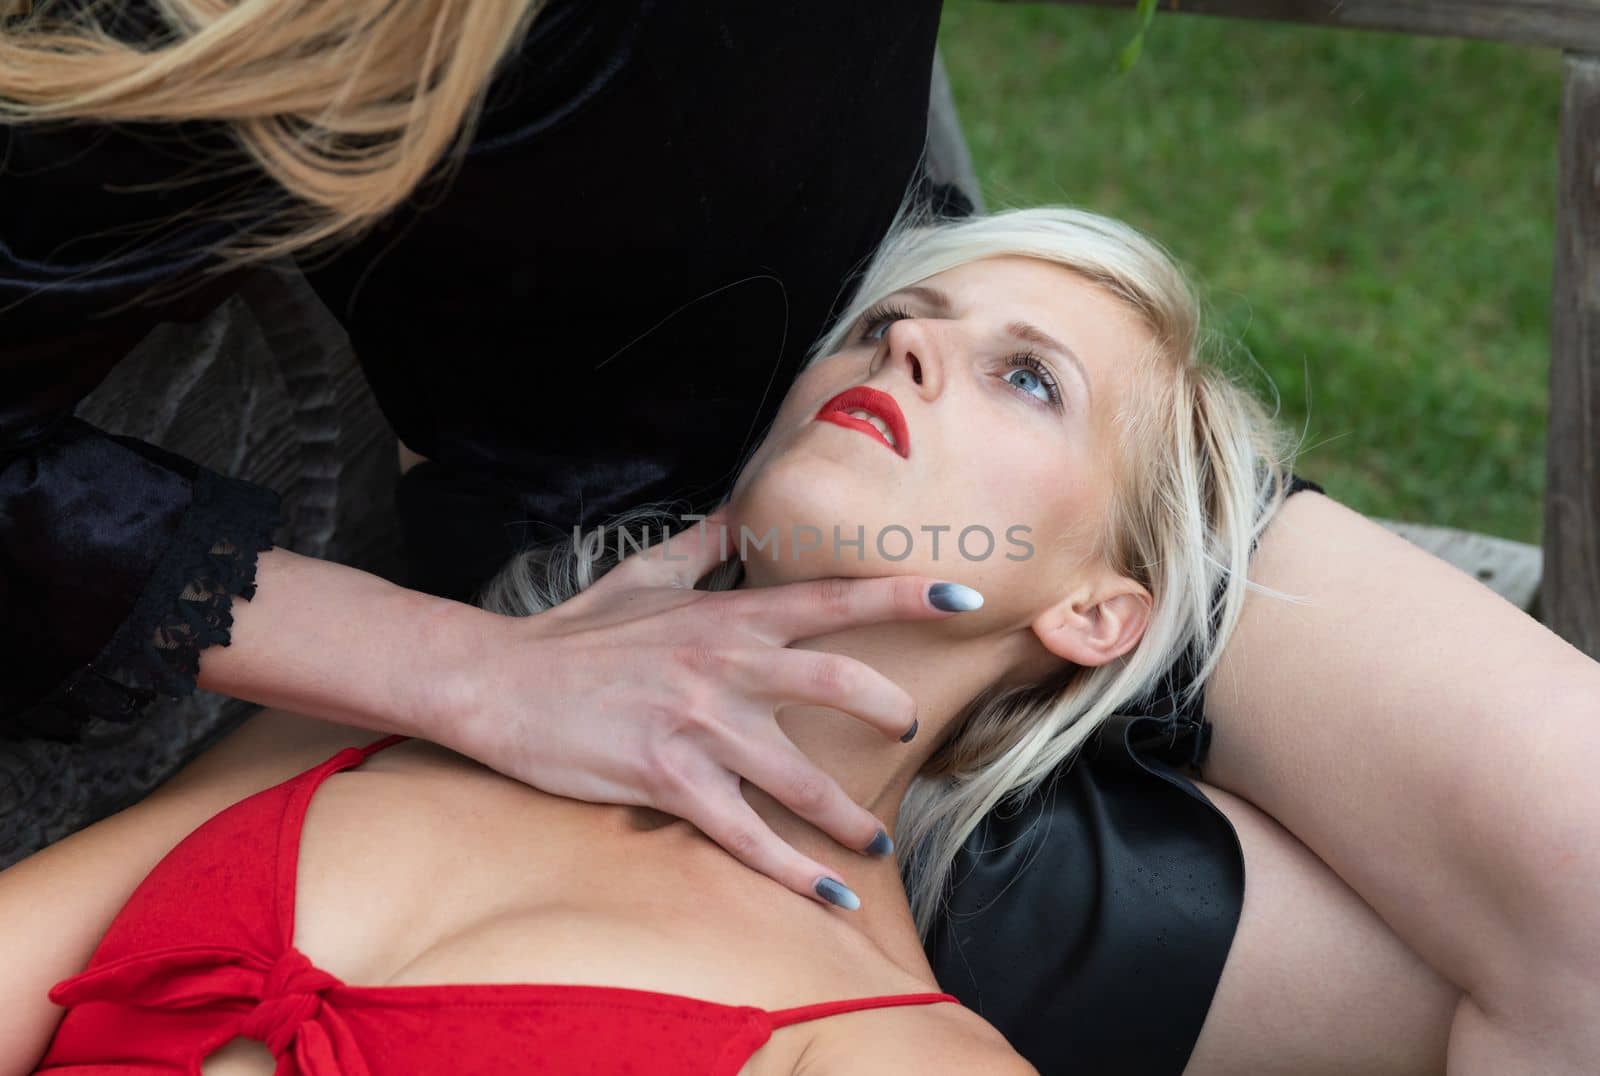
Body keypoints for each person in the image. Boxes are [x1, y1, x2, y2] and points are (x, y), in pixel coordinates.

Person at [7, 6, 1600, 1076]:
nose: (905, 349)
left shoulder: (900, 1043)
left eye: (1022, 377)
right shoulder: (336, 736)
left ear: (1114, 613)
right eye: (892, 323)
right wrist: (452, 665)